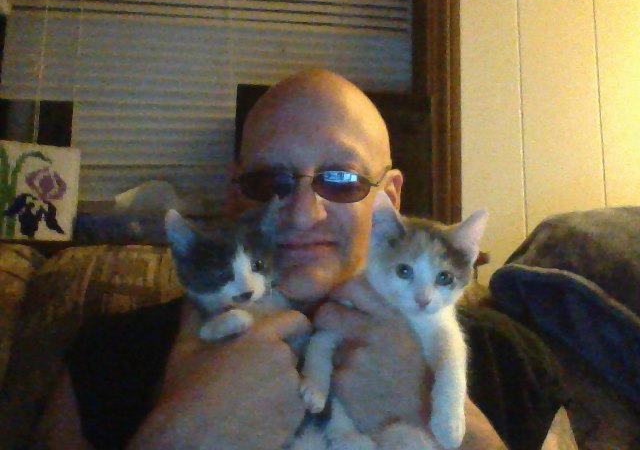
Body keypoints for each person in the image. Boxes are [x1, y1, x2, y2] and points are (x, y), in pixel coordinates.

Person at [40, 69, 557, 449]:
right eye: (271, 182)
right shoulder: (110, 357)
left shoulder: (508, 358)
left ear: (390, 198)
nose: (304, 214)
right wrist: (179, 434)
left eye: (342, 179)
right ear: (235, 193)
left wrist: (431, 408)